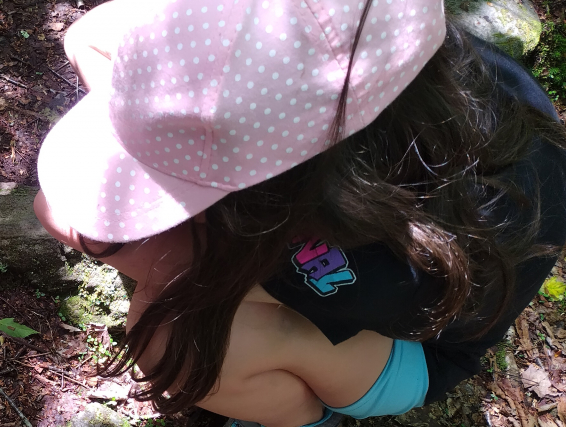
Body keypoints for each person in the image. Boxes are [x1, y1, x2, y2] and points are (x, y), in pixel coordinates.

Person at [34, 0, 566, 426]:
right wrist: (162, 128)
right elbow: (92, 33)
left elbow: (272, 273)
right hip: (307, 240)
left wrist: (184, 181)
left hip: (402, 339)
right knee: (66, 213)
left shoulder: (412, 262)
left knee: (178, 340)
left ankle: (299, 415)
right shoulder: (340, 47)